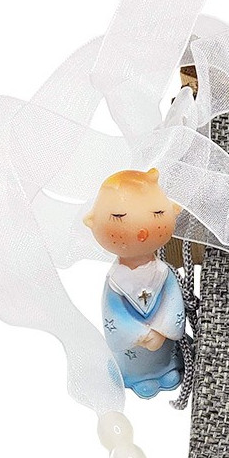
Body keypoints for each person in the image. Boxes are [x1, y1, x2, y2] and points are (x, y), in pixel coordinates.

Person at [83, 169, 185, 399]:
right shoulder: (116, 282)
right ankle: (139, 377)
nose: (142, 231)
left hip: (164, 344)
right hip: (135, 353)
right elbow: (114, 314)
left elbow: (172, 302)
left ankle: (167, 369)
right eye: (119, 216)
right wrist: (141, 334)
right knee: (137, 361)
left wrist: (163, 329)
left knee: (167, 359)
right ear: (92, 222)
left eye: (158, 213)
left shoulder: (163, 273)